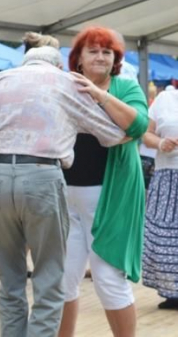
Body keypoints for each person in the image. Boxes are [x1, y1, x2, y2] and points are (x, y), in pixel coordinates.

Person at [0, 46, 126, 337]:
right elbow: (113, 135)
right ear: (59, 64)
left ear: (24, 62)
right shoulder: (66, 82)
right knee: (49, 282)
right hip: (42, 176)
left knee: (10, 283)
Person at [58, 27, 148, 337]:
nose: (100, 57)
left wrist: (99, 95)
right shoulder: (64, 86)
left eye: (106, 52)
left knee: (108, 279)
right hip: (64, 197)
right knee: (62, 279)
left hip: (112, 198)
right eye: (93, 51)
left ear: (115, 60)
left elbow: (137, 125)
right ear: (78, 59)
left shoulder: (125, 87)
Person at [141, 87, 178, 310]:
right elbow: (146, 133)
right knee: (162, 236)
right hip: (167, 177)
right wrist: (160, 143)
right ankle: (173, 292)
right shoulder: (165, 98)